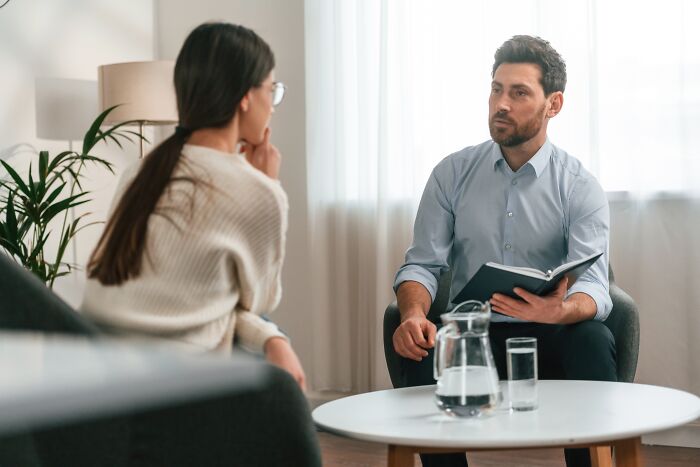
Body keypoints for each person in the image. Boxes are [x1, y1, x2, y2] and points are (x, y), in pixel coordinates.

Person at [393, 35, 616, 467]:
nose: (502, 104)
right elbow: (422, 264)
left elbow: (594, 282)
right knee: (422, 346)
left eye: (519, 93)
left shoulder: (580, 186)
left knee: (592, 338)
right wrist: (413, 315)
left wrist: (561, 311)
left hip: (551, 331)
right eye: (496, 89)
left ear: (553, 105)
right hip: (472, 332)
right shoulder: (451, 173)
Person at [81, 22, 306, 390]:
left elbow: (213, 303)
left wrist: (271, 339)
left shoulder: (140, 172)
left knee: (271, 335)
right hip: (174, 384)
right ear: (245, 97)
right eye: (272, 89)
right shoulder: (257, 192)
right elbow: (259, 301)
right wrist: (268, 183)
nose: (273, 104)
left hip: (99, 365)